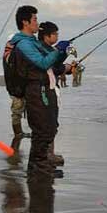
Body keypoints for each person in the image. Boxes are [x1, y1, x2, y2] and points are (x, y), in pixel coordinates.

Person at [7, 5, 69, 176]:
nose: (37, 23)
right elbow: (42, 63)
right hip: (36, 91)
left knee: (48, 129)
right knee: (42, 131)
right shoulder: (24, 44)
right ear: (25, 22)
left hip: (44, 89)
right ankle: (38, 169)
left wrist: (62, 52)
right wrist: (57, 50)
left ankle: (40, 166)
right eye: (34, 19)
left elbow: (53, 61)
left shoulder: (33, 42)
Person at [37, 21, 75, 167]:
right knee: (48, 125)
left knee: (51, 124)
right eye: (56, 34)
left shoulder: (45, 49)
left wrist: (68, 67)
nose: (58, 36)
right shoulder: (42, 50)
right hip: (45, 91)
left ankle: (48, 154)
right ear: (47, 36)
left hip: (50, 89)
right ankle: (46, 156)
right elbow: (49, 66)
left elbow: (56, 68)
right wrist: (60, 51)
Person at [4, 34, 31, 139]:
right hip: (15, 87)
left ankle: (19, 132)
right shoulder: (10, 54)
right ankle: (18, 133)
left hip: (18, 86)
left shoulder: (12, 52)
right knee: (17, 110)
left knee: (20, 110)